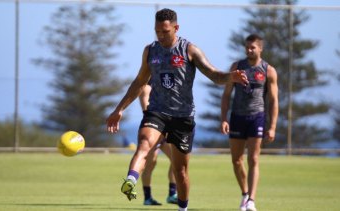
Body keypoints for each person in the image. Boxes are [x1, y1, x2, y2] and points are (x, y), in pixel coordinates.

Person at [106, 8, 248, 211]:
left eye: (165, 31)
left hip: (183, 117)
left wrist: (230, 76)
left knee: (181, 171)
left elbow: (214, 75)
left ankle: (183, 208)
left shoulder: (189, 50)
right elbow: (139, 82)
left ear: (176, 27)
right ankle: (130, 180)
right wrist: (119, 109)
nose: (161, 36)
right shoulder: (150, 51)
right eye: (158, 32)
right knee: (145, 144)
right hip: (157, 111)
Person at [220, 34, 279, 211]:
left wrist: (273, 126)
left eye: (253, 47)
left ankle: (252, 200)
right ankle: (245, 194)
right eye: (247, 47)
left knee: (253, 159)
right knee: (237, 161)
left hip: (257, 117)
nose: (249, 50)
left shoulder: (268, 70)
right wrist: (224, 118)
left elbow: (274, 100)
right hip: (237, 117)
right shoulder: (237, 67)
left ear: (260, 48)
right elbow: (226, 95)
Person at [139, 83, 178, 206]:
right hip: (153, 129)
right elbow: (146, 109)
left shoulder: (164, 85)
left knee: (176, 160)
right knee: (151, 164)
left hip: (166, 128)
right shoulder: (146, 87)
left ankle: (172, 194)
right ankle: (147, 197)